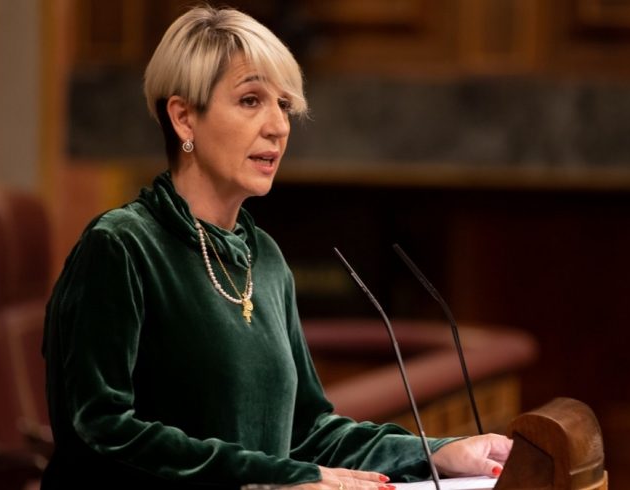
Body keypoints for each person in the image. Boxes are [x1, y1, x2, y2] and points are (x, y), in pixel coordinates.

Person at [41, 5, 511, 490]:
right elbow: (99, 431)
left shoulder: (262, 256)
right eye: (250, 100)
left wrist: (438, 453)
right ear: (184, 118)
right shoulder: (121, 247)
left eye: (284, 105)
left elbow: (307, 433)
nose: (278, 126)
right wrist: (281, 478)